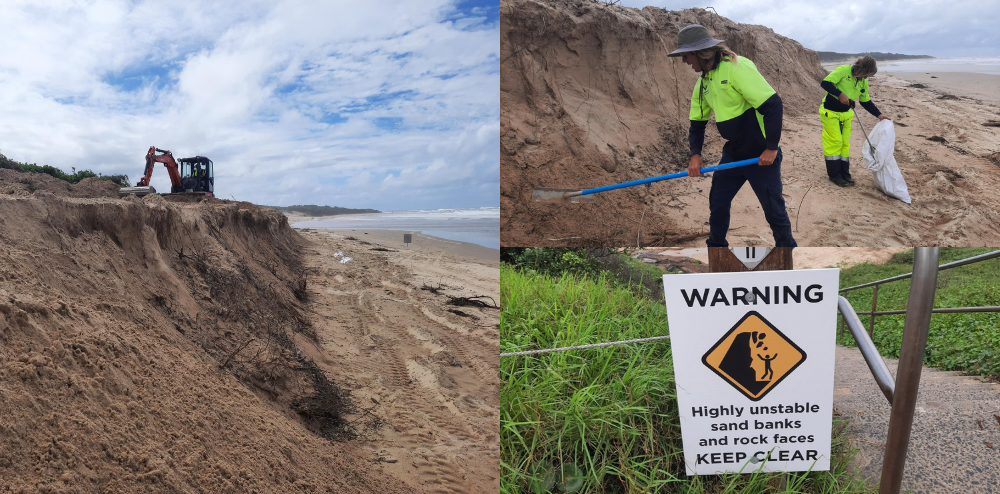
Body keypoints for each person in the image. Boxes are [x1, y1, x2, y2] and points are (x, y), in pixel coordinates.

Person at [669, 24, 796, 247]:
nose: (685, 62)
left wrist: (772, 148)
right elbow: (697, 124)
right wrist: (695, 154)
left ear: (700, 52)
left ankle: (787, 251)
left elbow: (773, 105)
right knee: (718, 201)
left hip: (760, 156)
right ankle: (717, 248)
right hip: (734, 154)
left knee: (774, 210)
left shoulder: (737, 67)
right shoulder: (702, 83)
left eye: (687, 56)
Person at [820, 55, 891, 187]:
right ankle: (835, 175)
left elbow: (865, 101)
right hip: (830, 113)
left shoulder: (863, 82)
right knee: (835, 142)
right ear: (861, 69)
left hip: (846, 114)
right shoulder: (843, 70)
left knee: (845, 144)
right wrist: (840, 94)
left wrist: (879, 115)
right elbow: (825, 83)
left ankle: (845, 174)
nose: (866, 78)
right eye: (866, 75)